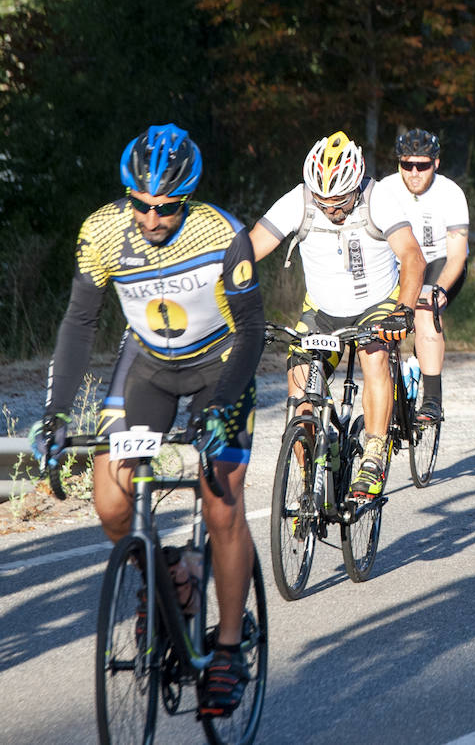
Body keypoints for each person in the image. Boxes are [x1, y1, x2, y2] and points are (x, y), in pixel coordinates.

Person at [30, 125, 264, 715]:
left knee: (221, 500)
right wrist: (56, 415)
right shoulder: (103, 231)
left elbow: (254, 330)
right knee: (111, 502)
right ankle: (171, 577)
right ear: (127, 194)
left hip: (219, 365)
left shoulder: (223, 233)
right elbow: (80, 324)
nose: (152, 217)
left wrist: (219, 410)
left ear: (185, 199)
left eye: (165, 207)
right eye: (140, 203)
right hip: (149, 367)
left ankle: (229, 650)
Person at [249, 131, 424, 497]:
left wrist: (404, 312)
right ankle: (307, 480)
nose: (330, 209)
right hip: (323, 310)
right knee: (299, 383)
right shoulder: (299, 201)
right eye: (322, 200)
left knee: (374, 356)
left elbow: (411, 256)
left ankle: (374, 454)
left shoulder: (380, 199)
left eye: (339, 200)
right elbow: (248, 250)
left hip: (377, 303)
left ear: (357, 185)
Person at [374, 128, 469, 423]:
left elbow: (457, 256)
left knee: (425, 313)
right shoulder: (383, 190)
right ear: (399, 164)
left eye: (423, 165)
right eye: (407, 165)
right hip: (399, 263)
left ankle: (432, 401)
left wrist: (439, 289)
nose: (414, 172)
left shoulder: (451, 193)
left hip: (439, 264)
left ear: (435, 164)